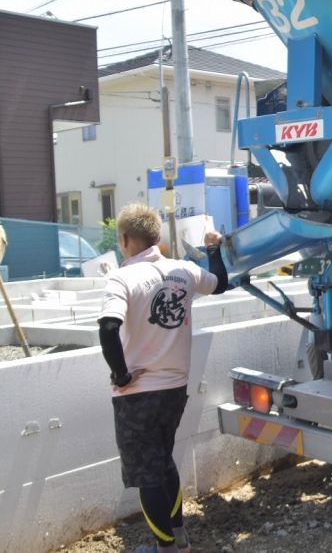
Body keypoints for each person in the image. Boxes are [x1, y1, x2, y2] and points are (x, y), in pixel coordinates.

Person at [98, 204, 228, 553]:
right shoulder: (183, 271)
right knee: (164, 460)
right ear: (156, 238)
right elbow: (220, 285)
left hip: (138, 394)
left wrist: (121, 375)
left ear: (125, 240)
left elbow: (109, 327)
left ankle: (166, 548)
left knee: (147, 475)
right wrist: (213, 249)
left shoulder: (121, 278)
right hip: (174, 390)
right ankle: (179, 538)